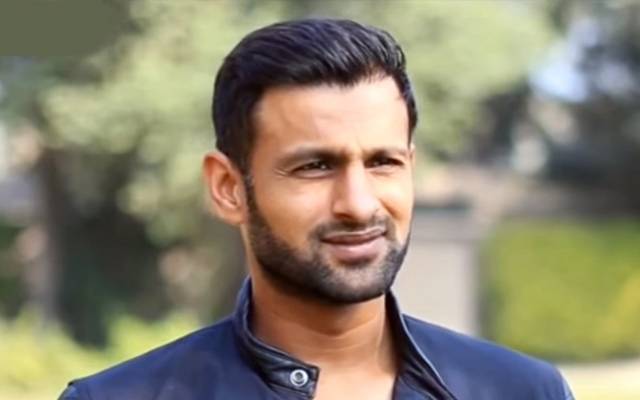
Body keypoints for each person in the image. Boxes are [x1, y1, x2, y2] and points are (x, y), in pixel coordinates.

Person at [59, 18, 574, 400]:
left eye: (383, 162)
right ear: (228, 188)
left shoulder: (523, 391)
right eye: (314, 167)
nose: (358, 204)